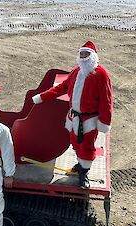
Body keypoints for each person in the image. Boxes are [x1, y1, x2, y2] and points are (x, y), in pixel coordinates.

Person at [32, 41, 113, 189]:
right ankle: (80, 165)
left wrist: (104, 121)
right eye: (81, 53)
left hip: (88, 120)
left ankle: (84, 173)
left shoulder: (101, 75)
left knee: (86, 147)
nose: (83, 57)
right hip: (74, 117)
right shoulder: (76, 72)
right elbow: (62, 87)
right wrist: (42, 97)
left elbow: (106, 100)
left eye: (86, 54)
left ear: (93, 56)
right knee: (75, 143)